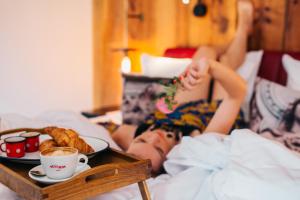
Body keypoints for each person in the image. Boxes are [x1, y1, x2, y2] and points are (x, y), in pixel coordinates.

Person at [110, 0, 253, 173]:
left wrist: (205, 63)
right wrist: (210, 66)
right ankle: (244, 29)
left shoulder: (128, 136)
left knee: (205, 51)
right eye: (159, 149)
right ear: (171, 160)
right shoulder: (198, 142)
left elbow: (108, 136)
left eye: (142, 140)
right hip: (212, 113)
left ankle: (221, 50)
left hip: (179, 112)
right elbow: (238, 92)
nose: (154, 136)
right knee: (225, 64)